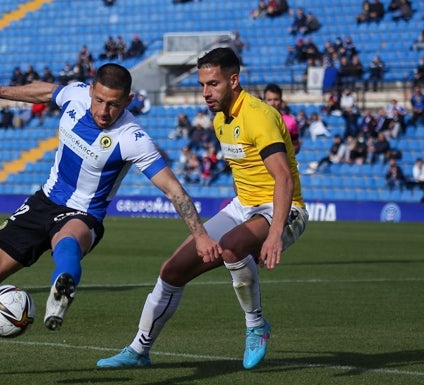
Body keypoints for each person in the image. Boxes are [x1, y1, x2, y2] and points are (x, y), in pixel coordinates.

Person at [0, 63, 221, 379]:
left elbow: (172, 188)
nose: (103, 110)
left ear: (127, 101)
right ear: (91, 91)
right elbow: (44, 90)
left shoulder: (132, 138)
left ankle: (62, 291)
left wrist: (201, 235)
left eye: (113, 104)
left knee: (67, 242)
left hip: (83, 214)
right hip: (43, 201)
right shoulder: (75, 96)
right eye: (99, 100)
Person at [97, 47, 307, 370]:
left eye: (213, 83)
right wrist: (237, 214)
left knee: (232, 248)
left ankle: (256, 326)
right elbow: (242, 172)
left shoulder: (259, 116)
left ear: (234, 80)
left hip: (283, 207)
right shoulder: (221, 119)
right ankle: (139, 350)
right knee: (173, 269)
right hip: (244, 207)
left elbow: (283, 178)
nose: (206, 92)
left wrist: (275, 234)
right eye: (202, 85)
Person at [263, 83, 301, 153]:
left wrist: (285, 155)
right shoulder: (257, 121)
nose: (273, 103)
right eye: (269, 100)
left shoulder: (290, 121)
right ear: (264, 101)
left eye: (276, 99)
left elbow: (296, 144)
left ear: (281, 101)